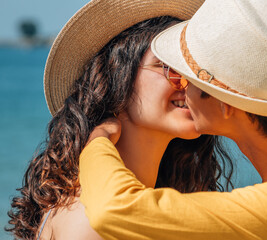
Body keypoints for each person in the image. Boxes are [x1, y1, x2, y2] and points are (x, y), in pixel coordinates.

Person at [78, 0, 267, 239]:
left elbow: (113, 210)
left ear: (225, 102)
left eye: (187, 74)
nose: (181, 85)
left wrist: (98, 139)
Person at [6, 0, 235, 239]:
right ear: (117, 79)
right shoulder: (90, 220)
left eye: (195, 70)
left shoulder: (130, 197)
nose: (189, 84)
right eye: (169, 68)